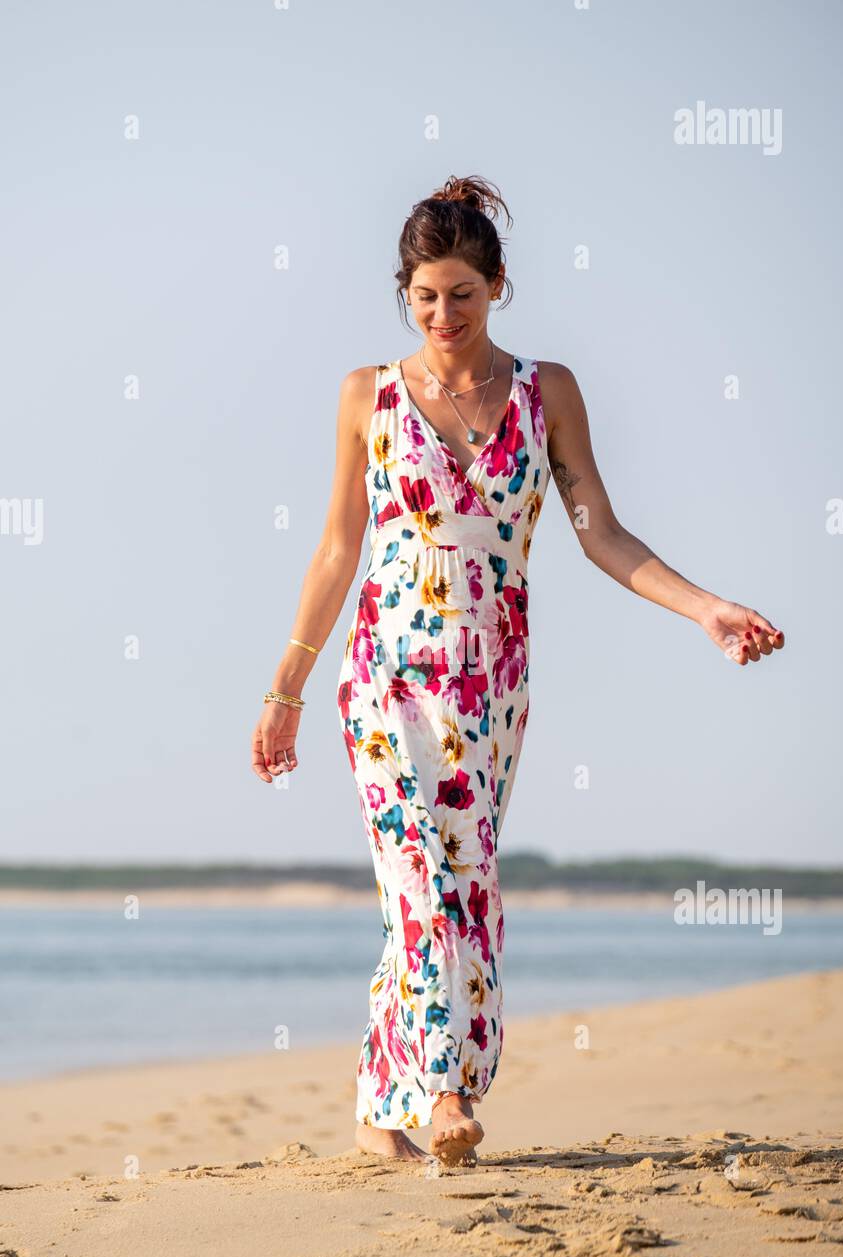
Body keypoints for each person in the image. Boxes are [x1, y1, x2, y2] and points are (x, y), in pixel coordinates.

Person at [251, 174, 785, 1168]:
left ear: (498, 285)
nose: (440, 315)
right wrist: (284, 688)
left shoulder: (547, 394)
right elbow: (336, 549)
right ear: (401, 296)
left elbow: (602, 535)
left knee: (459, 877)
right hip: (385, 674)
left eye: (459, 292)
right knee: (420, 874)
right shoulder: (365, 396)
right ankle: (443, 1085)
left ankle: (378, 1107)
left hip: (489, 684)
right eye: (422, 296)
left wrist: (705, 607)